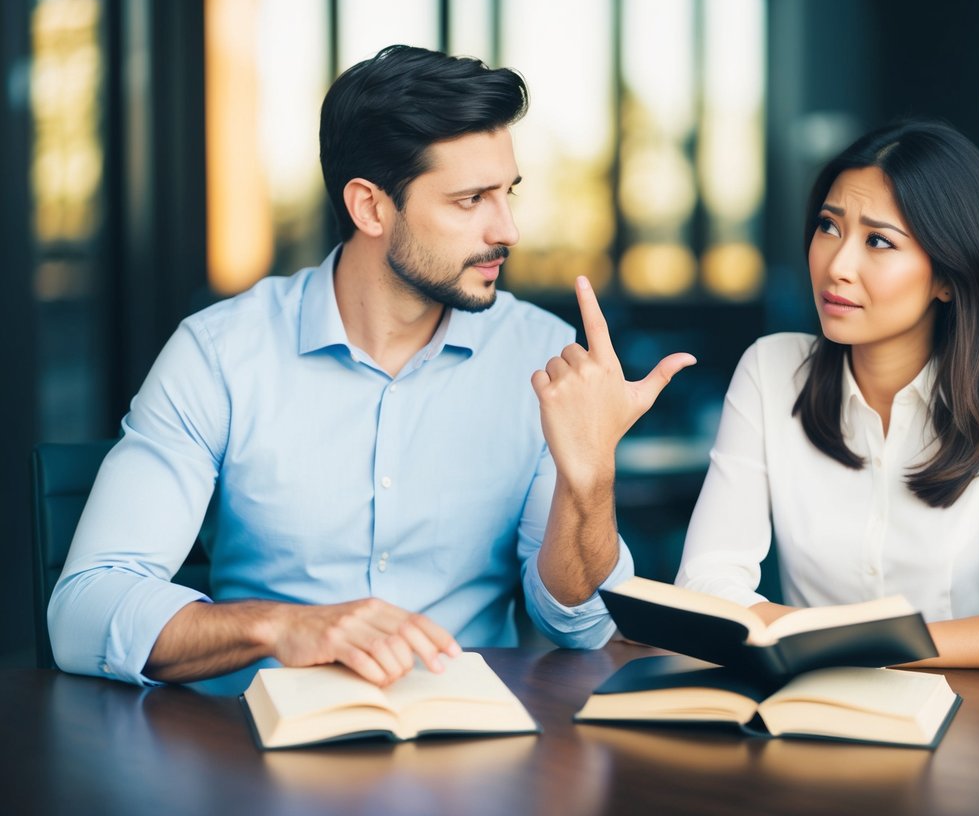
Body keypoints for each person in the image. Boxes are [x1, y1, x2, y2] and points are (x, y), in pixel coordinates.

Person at [49, 44, 694, 689]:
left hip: (471, 753)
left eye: (508, 193)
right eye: (471, 200)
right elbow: (83, 612)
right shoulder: (220, 353)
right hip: (257, 751)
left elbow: (579, 625)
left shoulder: (539, 355)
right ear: (371, 208)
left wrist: (590, 480)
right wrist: (280, 626)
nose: (509, 230)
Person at [675, 120, 979, 669]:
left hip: (975, 721)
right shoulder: (771, 370)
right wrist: (836, 644)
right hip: (811, 720)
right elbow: (703, 585)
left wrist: (853, 644)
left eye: (879, 241)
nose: (837, 265)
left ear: (948, 277)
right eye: (829, 227)